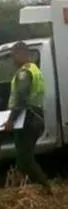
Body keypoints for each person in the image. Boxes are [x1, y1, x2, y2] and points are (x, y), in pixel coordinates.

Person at [1, 41, 51, 194]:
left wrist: (11, 120)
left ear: (21, 54)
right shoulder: (34, 69)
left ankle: (45, 187)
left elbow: (21, 97)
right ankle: (21, 189)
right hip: (33, 117)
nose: (13, 60)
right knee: (22, 157)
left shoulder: (24, 73)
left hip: (28, 118)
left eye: (14, 56)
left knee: (25, 159)